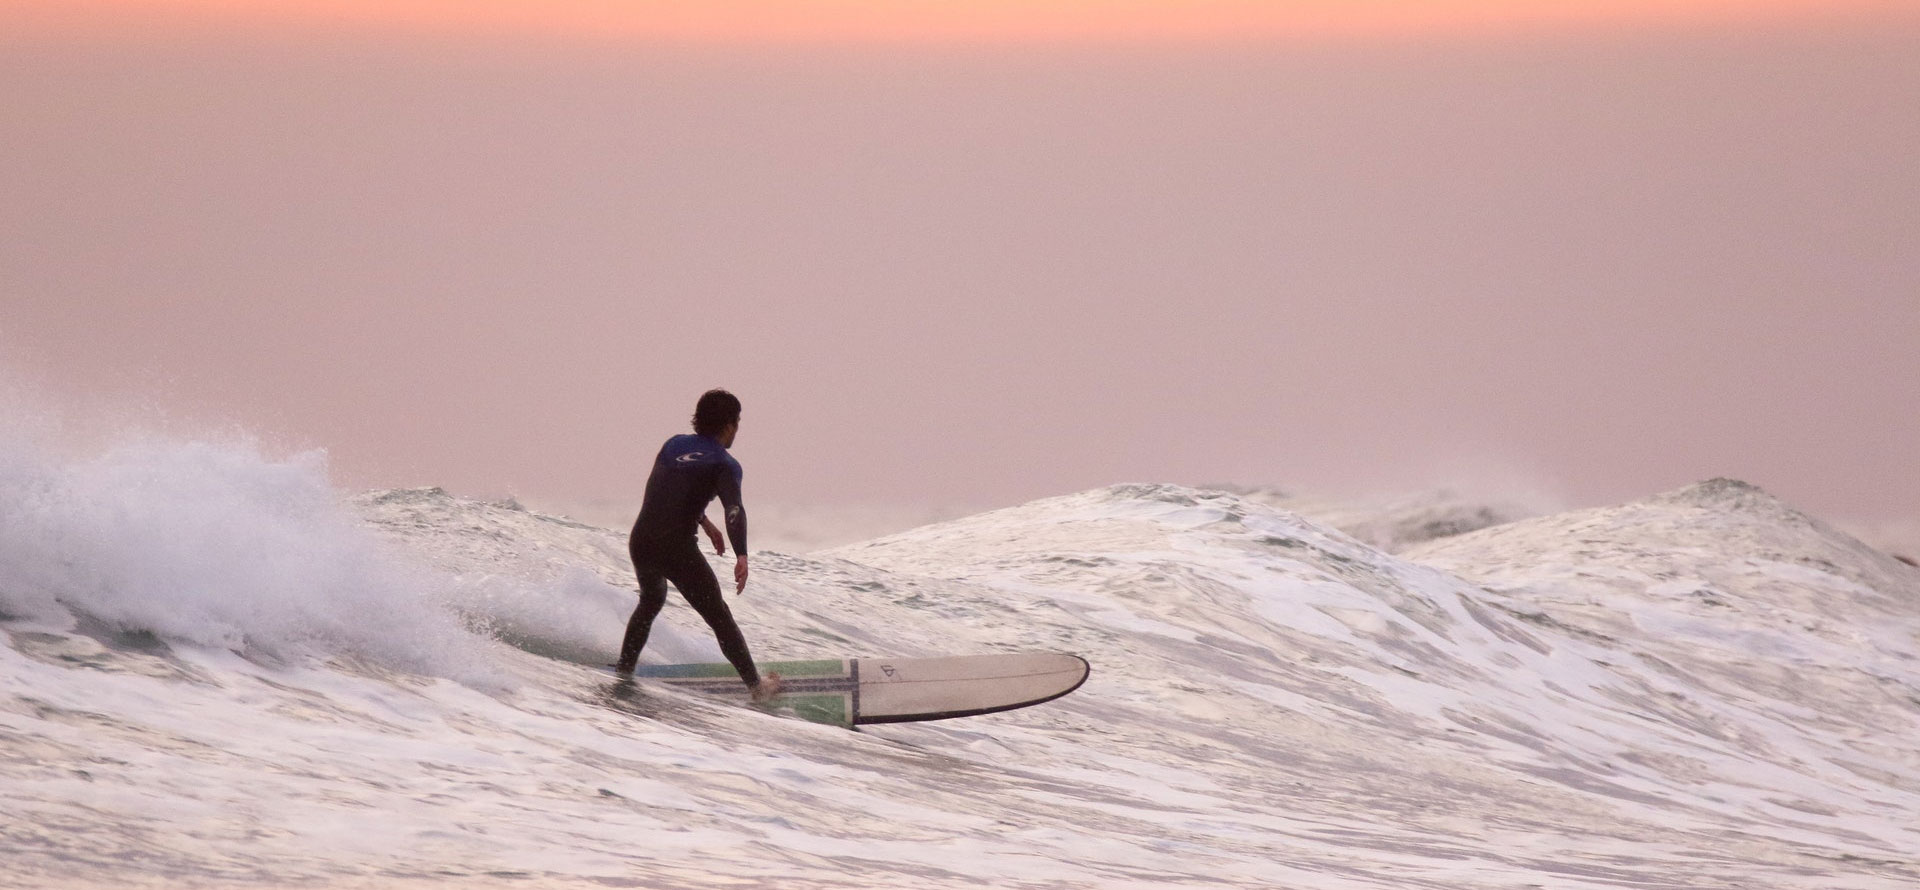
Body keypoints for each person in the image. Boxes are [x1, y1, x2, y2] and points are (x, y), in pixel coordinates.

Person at [617, 389, 781, 702]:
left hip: (641, 540)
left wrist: (703, 523)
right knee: (719, 617)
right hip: (675, 549)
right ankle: (758, 689)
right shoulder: (724, 463)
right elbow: (734, 510)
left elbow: (669, 491)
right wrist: (741, 554)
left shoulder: (673, 445)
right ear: (730, 425)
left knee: (651, 601)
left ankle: (624, 672)